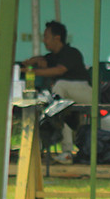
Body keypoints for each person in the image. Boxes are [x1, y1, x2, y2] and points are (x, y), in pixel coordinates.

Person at [22, 20, 91, 163]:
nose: (44, 40)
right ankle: (64, 152)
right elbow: (38, 62)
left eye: (46, 36)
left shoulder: (71, 53)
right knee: (59, 110)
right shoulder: (51, 57)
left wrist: (32, 71)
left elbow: (60, 70)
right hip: (66, 98)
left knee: (59, 90)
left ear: (57, 38)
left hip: (85, 92)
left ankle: (54, 120)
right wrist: (33, 61)